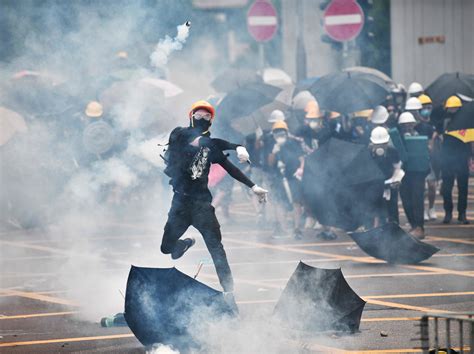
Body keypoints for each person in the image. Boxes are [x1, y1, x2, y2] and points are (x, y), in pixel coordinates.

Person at [160, 100, 268, 299]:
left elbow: (231, 168)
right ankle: (182, 245)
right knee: (166, 248)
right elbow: (205, 142)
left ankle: (229, 293)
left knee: (217, 250)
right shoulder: (179, 134)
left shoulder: (210, 146)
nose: (202, 119)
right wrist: (237, 146)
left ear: (211, 121)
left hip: (202, 205)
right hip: (180, 204)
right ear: (191, 117)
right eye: (198, 115)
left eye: (207, 116)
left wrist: (253, 187)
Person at [268, 120, 305, 239]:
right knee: (280, 204)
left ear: (286, 133)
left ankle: (297, 229)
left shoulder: (293, 143)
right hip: (279, 179)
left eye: (282, 133)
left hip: (293, 177)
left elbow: (302, 158)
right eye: (277, 134)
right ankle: (284, 229)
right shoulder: (272, 145)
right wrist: (274, 152)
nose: (280, 136)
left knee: (296, 202)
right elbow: (270, 163)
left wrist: (301, 169)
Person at [398, 112, 430, 238]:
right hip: (404, 173)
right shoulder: (398, 138)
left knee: (417, 199)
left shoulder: (419, 138)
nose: (408, 127)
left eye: (410, 124)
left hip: (417, 173)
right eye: (405, 125)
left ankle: (419, 227)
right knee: (406, 199)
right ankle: (413, 225)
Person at [440, 96, 471, 224]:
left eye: (455, 108)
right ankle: (448, 213)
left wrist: (470, 156)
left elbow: (469, 140)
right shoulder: (444, 121)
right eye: (451, 107)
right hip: (447, 158)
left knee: (463, 187)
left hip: (462, 157)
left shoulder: (466, 122)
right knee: (447, 188)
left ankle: (462, 213)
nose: (453, 109)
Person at [369, 127, 404, 227]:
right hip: (373, 184)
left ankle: (394, 228)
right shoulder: (367, 153)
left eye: (383, 144)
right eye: (377, 144)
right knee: (374, 207)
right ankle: (374, 230)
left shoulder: (393, 152)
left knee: (392, 207)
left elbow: (397, 168)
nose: (380, 146)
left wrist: (396, 180)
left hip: (390, 183)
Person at [416, 94, 438, 221]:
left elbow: (431, 145)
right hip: (419, 160)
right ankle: (423, 209)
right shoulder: (416, 125)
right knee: (421, 187)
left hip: (430, 160)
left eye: (428, 107)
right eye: (424, 107)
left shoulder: (432, 125)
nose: (426, 110)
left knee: (432, 186)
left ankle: (431, 207)